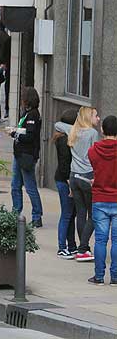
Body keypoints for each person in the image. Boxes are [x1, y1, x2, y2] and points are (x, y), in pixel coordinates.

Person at [61, 106, 102, 262]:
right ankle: (83, 248)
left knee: (80, 213)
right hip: (87, 175)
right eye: (95, 116)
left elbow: (57, 124)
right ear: (88, 118)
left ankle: (82, 248)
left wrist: (73, 125)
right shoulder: (92, 133)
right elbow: (96, 155)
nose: (98, 118)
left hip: (74, 176)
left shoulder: (73, 131)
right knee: (93, 214)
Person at [88, 115, 117, 285]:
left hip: (99, 197)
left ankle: (99, 276)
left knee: (100, 239)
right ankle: (115, 276)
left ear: (102, 130)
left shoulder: (93, 150)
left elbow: (97, 169)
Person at [10, 87, 44, 227]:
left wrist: (14, 134)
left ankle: (37, 216)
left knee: (30, 187)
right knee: (15, 186)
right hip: (19, 154)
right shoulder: (27, 113)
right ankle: (16, 213)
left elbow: (30, 136)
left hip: (26, 155)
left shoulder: (33, 115)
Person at [53, 109, 79, 258]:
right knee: (67, 214)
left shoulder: (64, 137)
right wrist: (70, 184)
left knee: (71, 213)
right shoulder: (64, 140)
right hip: (64, 181)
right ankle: (62, 247)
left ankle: (72, 245)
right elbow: (64, 165)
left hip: (65, 179)